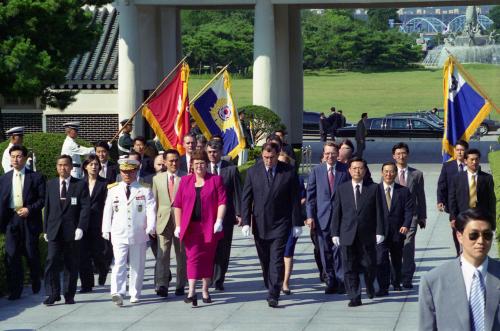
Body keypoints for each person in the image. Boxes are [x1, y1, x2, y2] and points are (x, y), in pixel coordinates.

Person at [241, 142, 302, 308]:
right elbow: (246, 198)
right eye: (266, 157)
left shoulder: (288, 171)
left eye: (272, 157)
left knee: (276, 258)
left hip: (281, 223)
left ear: (277, 155)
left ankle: (274, 293)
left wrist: (297, 223)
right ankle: (271, 282)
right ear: (262, 156)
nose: (268, 160)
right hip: (260, 223)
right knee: (265, 259)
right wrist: (246, 222)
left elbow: (295, 199)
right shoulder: (253, 172)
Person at [418, 208, 500, 331]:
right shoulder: (434, 281)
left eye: (487, 235)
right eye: (473, 235)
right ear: (459, 236)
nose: (481, 241)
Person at [173, 150, 226, 307]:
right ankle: (191, 291)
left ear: (206, 164)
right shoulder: (185, 181)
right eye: (196, 163)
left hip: (209, 227)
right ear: (192, 165)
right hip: (191, 228)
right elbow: (178, 205)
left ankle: (204, 290)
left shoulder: (216, 180)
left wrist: (219, 220)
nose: (199, 166)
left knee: (207, 259)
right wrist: (178, 225)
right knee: (192, 258)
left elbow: (222, 202)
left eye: (202, 163)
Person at [102, 158, 156, 306]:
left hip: (138, 232)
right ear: (120, 172)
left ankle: (134, 292)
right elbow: (108, 210)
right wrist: (105, 229)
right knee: (118, 263)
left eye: (130, 171)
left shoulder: (144, 188)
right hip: (119, 232)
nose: (127, 174)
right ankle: (117, 292)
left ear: (136, 171)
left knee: (137, 265)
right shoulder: (113, 189)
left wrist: (151, 226)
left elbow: (151, 209)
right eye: (124, 171)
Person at [331, 157, 384, 307]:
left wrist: (380, 231)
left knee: (369, 264)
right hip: (347, 234)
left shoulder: (373, 188)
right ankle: (354, 296)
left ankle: (369, 283)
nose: (357, 171)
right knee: (349, 267)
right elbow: (337, 213)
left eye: (360, 168)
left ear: (365, 170)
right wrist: (334, 233)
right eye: (354, 168)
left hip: (367, 235)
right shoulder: (342, 188)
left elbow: (380, 212)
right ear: (349, 170)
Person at [43, 155, 90, 305]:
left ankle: (69, 295)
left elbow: (85, 208)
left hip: (72, 231)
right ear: (57, 167)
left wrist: (81, 227)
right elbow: (48, 208)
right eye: (60, 165)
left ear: (71, 167)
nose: (62, 168)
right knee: (51, 261)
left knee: (71, 264)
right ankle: (52, 293)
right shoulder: (50, 184)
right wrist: (45, 229)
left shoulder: (80, 185)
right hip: (54, 230)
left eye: (65, 165)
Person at [0, 145, 45, 300]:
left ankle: (35, 278)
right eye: (13, 156)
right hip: (11, 220)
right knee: (12, 254)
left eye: (19, 156)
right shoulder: (4, 178)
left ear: (25, 158)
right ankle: (15, 290)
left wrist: (29, 209)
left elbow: (42, 199)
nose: (15, 159)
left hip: (29, 219)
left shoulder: (36, 177)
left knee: (31, 253)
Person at [306, 142, 349, 295]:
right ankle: (330, 279)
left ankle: (341, 280)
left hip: (340, 218)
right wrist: (310, 216)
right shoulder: (316, 171)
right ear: (323, 155)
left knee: (339, 250)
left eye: (333, 153)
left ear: (338, 154)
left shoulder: (345, 170)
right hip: (321, 218)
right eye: (327, 154)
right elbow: (310, 197)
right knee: (325, 251)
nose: (330, 156)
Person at [206, 140, 242, 291]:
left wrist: (240, 214)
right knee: (209, 248)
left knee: (223, 248)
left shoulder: (231, 169)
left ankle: (219, 279)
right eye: (209, 152)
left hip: (226, 216)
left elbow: (237, 192)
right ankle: (208, 277)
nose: (212, 155)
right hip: (207, 217)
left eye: (215, 152)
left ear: (221, 152)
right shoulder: (202, 168)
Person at [152, 149, 187, 297]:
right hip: (163, 220)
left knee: (181, 254)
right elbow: (154, 202)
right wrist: (152, 223)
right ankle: (162, 284)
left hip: (181, 221)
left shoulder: (185, 177)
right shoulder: (157, 179)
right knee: (163, 254)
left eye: (176, 160)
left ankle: (180, 285)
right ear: (165, 162)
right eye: (171, 160)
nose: (174, 163)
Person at [375, 162, 414, 297]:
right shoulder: (375, 190)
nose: (388, 174)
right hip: (380, 231)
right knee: (381, 259)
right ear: (382, 173)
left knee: (397, 259)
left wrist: (406, 224)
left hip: (398, 231)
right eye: (386, 171)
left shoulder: (403, 191)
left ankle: (396, 282)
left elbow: (409, 210)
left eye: (391, 171)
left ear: (396, 174)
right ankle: (383, 287)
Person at [393, 142, 426, 289]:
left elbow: (421, 196)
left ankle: (407, 278)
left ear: (408, 154)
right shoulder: (388, 172)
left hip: (411, 215)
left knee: (407, 246)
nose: (401, 156)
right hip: (393, 217)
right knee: (394, 247)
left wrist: (422, 216)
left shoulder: (417, 174)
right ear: (394, 156)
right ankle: (394, 277)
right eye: (398, 154)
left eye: (403, 153)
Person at [79, 155, 109, 292]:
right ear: (85, 166)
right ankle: (87, 284)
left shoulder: (105, 183)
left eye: (96, 164)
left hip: (98, 222)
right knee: (83, 254)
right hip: (83, 223)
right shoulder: (79, 183)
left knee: (97, 252)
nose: (94, 166)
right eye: (91, 164)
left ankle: (103, 269)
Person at [449, 148, 496, 232]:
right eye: (472, 159)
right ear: (465, 161)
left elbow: (491, 200)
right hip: (464, 216)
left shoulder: (486, 178)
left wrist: (492, 218)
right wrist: (453, 217)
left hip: (481, 217)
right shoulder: (457, 178)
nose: (474, 162)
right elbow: (452, 199)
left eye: (477, 159)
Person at [278, 152, 305, 295]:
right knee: (276, 253)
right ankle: (276, 279)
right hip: (276, 222)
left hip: (292, 220)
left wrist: (293, 205)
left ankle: (285, 283)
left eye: (284, 162)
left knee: (288, 252)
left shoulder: (296, 178)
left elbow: (303, 197)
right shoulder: (272, 178)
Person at [436, 139, 469, 255]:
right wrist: (440, 200)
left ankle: (467, 251)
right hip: (453, 204)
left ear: (466, 151)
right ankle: (459, 252)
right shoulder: (447, 166)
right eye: (457, 150)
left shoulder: (472, 166)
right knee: (456, 228)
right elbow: (441, 184)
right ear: (454, 151)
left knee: (468, 230)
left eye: (462, 150)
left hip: (468, 204)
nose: (459, 152)